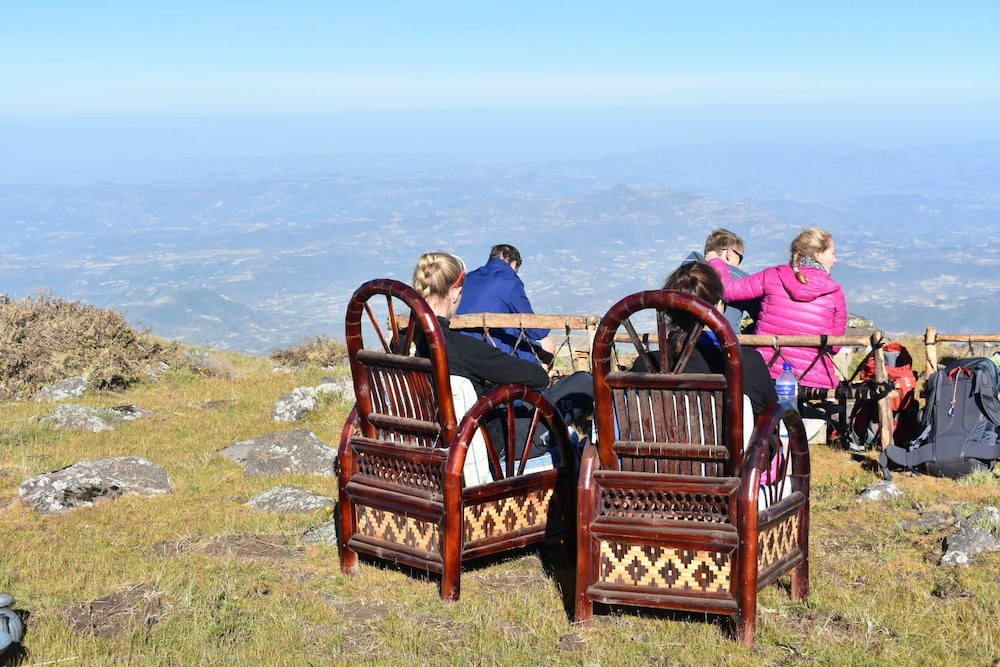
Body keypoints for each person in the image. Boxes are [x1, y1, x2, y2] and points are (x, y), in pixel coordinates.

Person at [412, 252, 593, 456]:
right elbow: (538, 378)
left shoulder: (406, 343)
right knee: (584, 382)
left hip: (433, 442)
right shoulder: (460, 348)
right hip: (494, 443)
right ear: (454, 293)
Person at [631, 262, 777, 420]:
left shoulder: (645, 365)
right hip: (737, 445)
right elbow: (772, 419)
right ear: (719, 306)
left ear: (670, 311)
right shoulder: (748, 363)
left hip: (659, 445)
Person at [707, 226, 847, 389]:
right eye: (832, 253)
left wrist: (716, 261)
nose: (835, 259)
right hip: (814, 380)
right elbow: (835, 346)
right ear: (817, 253)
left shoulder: (773, 275)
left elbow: (728, 290)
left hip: (767, 371)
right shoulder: (835, 292)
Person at [455, 244, 556, 365]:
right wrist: (549, 323)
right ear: (513, 264)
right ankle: (539, 380)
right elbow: (535, 331)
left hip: (459, 345)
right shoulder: (510, 281)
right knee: (548, 345)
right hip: (492, 348)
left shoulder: (468, 278)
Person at [683, 228, 758, 333]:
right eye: (740, 258)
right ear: (729, 253)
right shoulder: (741, 278)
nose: (740, 265)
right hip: (725, 345)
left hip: (682, 343)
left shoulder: (684, 273)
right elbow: (763, 315)